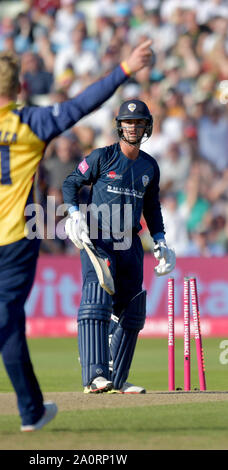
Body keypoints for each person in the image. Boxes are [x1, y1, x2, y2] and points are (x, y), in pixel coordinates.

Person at [0, 41, 153, 432]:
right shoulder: (31, 122)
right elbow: (83, 103)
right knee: (1, 317)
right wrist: (125, 69)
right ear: (19, 88)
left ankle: (31, 409)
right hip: (14, 239)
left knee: (9, 319)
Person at [62, 98, 176, 394]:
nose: (133, 127)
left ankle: (119, 378)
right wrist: (74, 215)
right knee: (98, 298)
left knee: (132, 309)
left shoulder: (150, 166)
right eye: (128, 122)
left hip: (131, 241)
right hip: (99, 237)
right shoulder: (102, 156)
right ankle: (94, 375)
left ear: (147, 126)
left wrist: (160, 239)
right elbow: (70, 183)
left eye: (139, 123)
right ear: (119, 126)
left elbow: (152, 207)